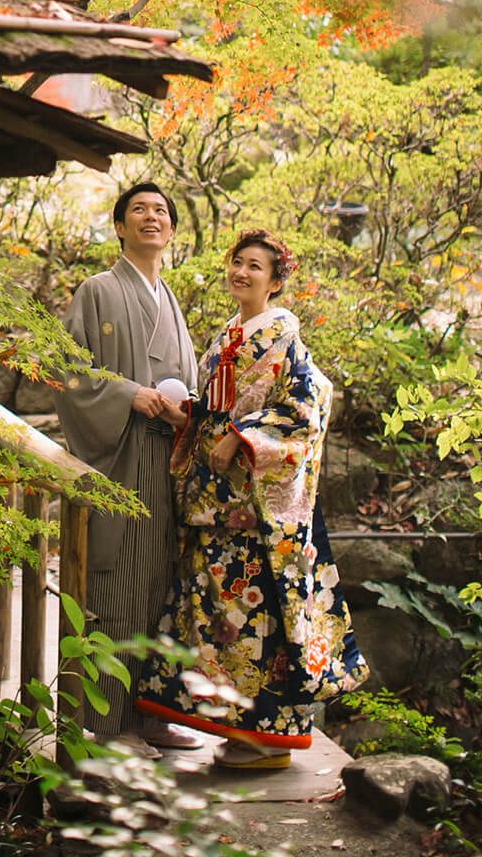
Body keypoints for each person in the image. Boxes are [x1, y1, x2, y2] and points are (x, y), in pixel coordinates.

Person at [136, 229, 367, 769]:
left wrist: (242, 439)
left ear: (276, 280)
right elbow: (220, 411)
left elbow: (306, 409)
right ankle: (237, 729)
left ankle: (269, 741)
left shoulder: (285, 337)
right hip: (217, 503)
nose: (242, 272)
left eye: (255, 266)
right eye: (237, 262)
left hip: (258, 508)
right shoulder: (228, 335)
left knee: (260, 619)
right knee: (223, 619)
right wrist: (190, 418)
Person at [56, 182, 201, 748]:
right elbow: (66, 373)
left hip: (164, 459)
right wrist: (128, 395)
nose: (151, 217)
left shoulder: (171, 302)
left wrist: (184, 412)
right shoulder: (97, 291)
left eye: (161, 211)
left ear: (169, 231)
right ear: (119, 227)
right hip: (118, 455)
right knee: (116, 583)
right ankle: (106, 725)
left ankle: (152, 712)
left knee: (161, 583)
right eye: (138, 209)